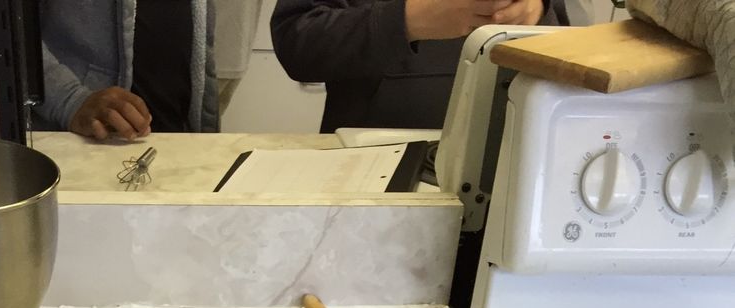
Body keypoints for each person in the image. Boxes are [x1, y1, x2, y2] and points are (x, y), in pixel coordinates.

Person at [271, 0, 556, 133]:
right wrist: (408, 21)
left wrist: (538, 9)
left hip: (509, 161)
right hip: (375, 172)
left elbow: (572, 40)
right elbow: (297, 42)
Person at [36, 0, 220, 139]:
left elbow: (198, 30)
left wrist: (207, 127)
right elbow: (11, 30)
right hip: (87, 139)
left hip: (178, 135)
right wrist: (70, 100)